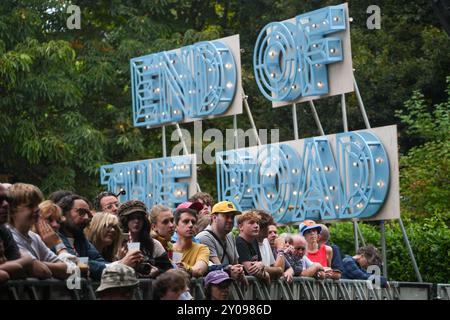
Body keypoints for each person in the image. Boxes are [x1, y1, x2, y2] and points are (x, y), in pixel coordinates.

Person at [7, 183, 69, 279]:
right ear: (12, 210)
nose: (36, 210)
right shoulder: (9, 236)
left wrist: (36, 263)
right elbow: (41, 271)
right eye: (30, 206)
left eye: (37, 205)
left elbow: (66, 269)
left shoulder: (34, 237)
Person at [57, 194, 107, 281]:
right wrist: (118, 265)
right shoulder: (54, 236)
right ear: (63, 213)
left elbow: (98, 260)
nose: (86, 218)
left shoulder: (81, 237)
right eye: (81, 212)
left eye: (88, 214)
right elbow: (74, 263)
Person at [118, 200, 172, 277]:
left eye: (139, 218)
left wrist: (158, 272)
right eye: (132, 218)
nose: (136, 221)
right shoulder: (115, 244)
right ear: (125, 220)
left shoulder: (154, 244)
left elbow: (168, 270)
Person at [197, 201, 245, 281]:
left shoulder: (231, 236)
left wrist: (240, 271)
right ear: (214, 217)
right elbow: (218, 268)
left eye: (232, 217)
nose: (230, 220)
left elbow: (235, 263)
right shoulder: (204, 237)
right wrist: (234, 271)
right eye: (226, 216)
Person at [0, 184, 33, 280]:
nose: (6, 204)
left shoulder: (2, 230)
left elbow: (20, 270)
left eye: (7, 199)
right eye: (0, 200)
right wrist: (25, 260)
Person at [172, 206, 209, 278]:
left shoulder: (202, 248)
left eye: (193, 222)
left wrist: (184, 268)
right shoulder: (168, 248)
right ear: (175, 226)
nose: (191, 225)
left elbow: (199, 270)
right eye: (186, 221)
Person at [235, 210, 269, 283]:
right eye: (251, 223)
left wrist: (261, 264)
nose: (256, 226)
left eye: (257, 222)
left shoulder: (254, 241)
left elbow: (260, 263)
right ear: (241, 227)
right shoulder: (239, 242)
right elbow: (251, 270)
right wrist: (266, 275)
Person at [255, 210, 284, 281]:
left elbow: (276, 269)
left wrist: (281, 251)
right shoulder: (251, 242)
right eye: (267, 227)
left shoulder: (265, 241)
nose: (268, 230)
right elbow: (256, 269)